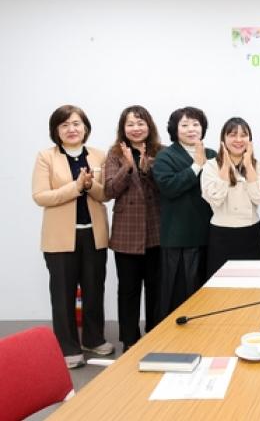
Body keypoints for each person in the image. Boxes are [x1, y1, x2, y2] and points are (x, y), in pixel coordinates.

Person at [32, 105, 113, 369]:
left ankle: (93, 338)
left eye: (76, 123)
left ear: (85, 127)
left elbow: (106, 194)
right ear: (56, 130)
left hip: (94, 235)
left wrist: (90, 185)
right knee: (63, 294)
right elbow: (40, 196)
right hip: (60, 238)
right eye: (64, 125)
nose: (71, 129)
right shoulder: (46, 157)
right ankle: (68, 347)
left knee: (94, 290)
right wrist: (76, 187)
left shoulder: (99, 155)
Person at [104, 105, 163, 352]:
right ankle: (129, 339)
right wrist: (128, 166)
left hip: (156, 230)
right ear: (123, 128)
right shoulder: (114, 153)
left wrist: (148, 169)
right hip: (126, 232)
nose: (136, 128)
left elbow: (166, 189)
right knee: (128, 289)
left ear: (149, 126)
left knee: (155, 288)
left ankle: (155, 334)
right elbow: (109, 190)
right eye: (130, 124)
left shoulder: (161, 152)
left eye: (140, 123)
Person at [152, 106, 216, 320]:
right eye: (185, 125)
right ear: (175, 129)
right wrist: (196, 167)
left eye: (196, 124)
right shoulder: (165, 156)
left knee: (206, 294)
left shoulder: (212, 154)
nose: (191, 129)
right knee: (178, 295)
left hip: (209, 235)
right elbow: (169, 187)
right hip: (178, 238)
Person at [201, 117, 260, 276]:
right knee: (221, 285)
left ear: (249, 140)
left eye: (243, 135)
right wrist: (225, 166)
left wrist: (248, 166)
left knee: (252, 283)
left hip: (251, 233)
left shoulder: (257, 166)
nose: (238, 139)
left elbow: (259, 197)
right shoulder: (211, 165)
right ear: (223, 139)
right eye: (232, 135)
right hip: (221, 234)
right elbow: (215, 198)